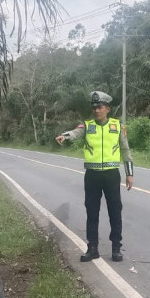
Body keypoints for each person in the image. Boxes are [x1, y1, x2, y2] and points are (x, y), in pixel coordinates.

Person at [56, 91, 134, 262]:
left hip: (112, 175)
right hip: (92, 176)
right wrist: (65, 136)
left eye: (99, 107)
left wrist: (129, 173)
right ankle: (92, 248)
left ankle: (116, 248)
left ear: (107, 109)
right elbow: (75, 133)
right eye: (94, 107)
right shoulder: (87, 126)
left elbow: (125, 149)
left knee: (115, 211)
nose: (96, 110)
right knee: (92, 212)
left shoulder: (117, 126)